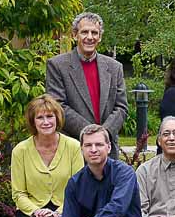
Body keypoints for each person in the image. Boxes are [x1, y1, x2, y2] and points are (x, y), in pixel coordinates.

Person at [46, 12, 128, 159]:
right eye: (84, 32)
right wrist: (91, 134)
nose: (89, 37)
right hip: (73, 148)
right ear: (75, 35)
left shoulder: (115, 67)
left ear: (100, 37)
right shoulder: (57, 65)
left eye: (94, 33)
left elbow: (121, 107)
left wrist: (104, 134)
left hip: (107, 150)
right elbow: (57, 106)